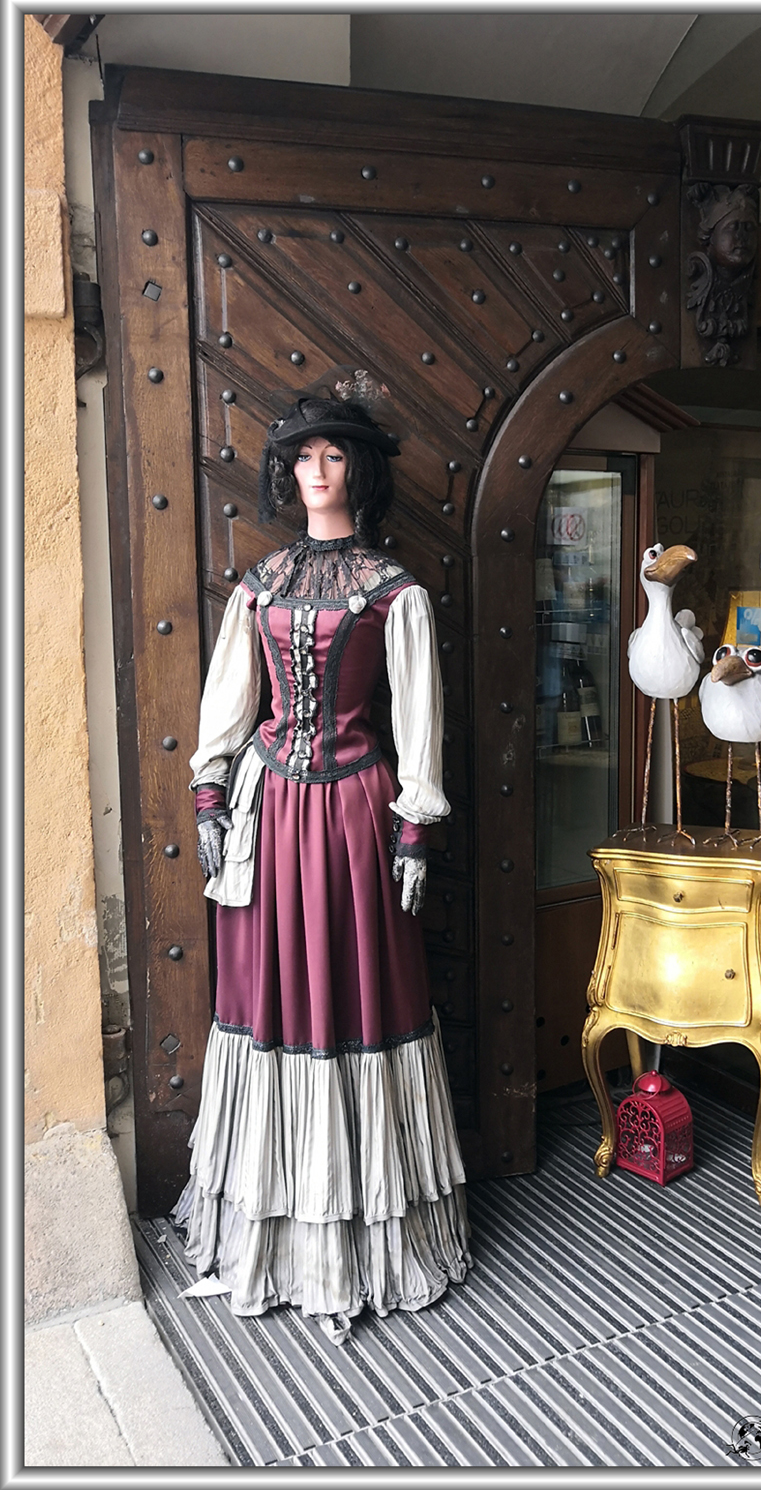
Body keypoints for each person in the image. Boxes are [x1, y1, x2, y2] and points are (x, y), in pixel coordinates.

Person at [171, 393, 471, 1345]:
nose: (316, 471)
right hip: (271, 811)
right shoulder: (261, 583)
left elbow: (417, 717)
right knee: (266, 998)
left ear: (359, 471)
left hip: (351, 814)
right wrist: (211, 791)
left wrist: (415, 826)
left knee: (356, 994)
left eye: (333, 456)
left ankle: (363, 1238)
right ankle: (273, 1231)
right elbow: (232, 698)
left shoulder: (392, 591)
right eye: (303, 456)